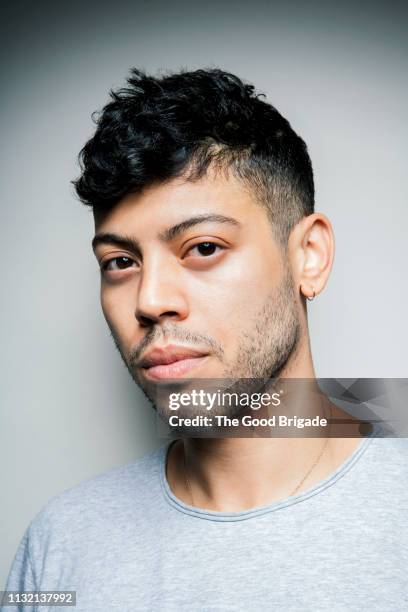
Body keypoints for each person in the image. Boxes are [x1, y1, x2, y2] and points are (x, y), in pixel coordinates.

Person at [3, 68, 407, 612]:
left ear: (308, 256)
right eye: (120, 262)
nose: (149, 300)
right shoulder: (61, 545)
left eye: (204, 248)